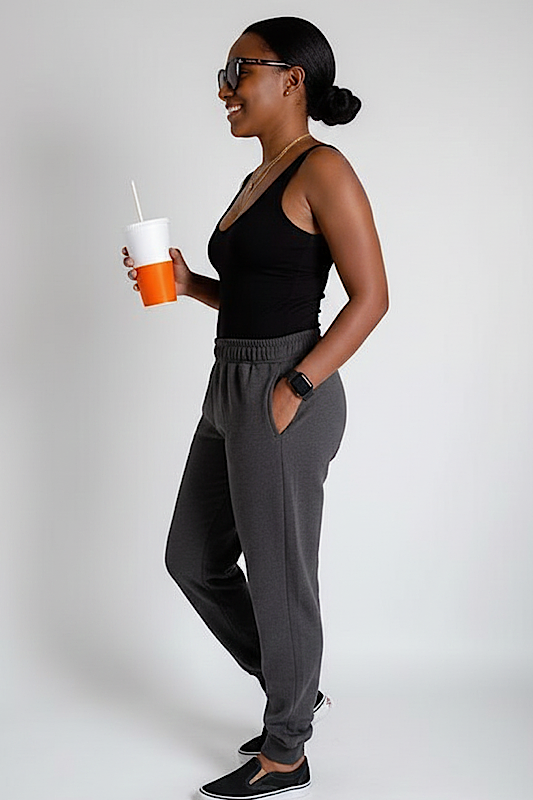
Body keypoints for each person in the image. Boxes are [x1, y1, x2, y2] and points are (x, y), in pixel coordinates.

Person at [122, 15, 388, 799]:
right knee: (192, 557)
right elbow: (255, 292)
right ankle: (293, 687)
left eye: (238, 71)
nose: (224, 89)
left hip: (286, 383)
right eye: (225, 73)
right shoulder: (257, 177)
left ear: (291, 79)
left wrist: (293, 388)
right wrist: (185, 284)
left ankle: (286, 751)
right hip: (228, 381)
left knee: (278, 578)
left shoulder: (322, 169)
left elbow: (370, 298)